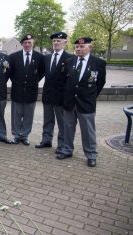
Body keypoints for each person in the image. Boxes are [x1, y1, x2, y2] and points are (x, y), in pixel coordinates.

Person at [56, 37, 106, 167]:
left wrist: (90, 96)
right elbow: (63, 81)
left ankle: (91, 155)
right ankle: (67, 150)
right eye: (77, 47)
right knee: (68, 128)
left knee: (88, 131)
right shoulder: (69, 61)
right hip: (70, 102)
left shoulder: (98, 63)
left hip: (86, 103)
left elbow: (100, 83)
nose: (79, 49)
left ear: (90, 47)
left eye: (82, 46)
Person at [36, 32, 73, 152]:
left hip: (61, 97)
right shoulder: (46, 58)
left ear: (65, 43)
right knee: (48, 120)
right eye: (54, 41)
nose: (56, 43)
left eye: (58, 41)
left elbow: (71, 80)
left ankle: (62, 144)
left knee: (62, 123)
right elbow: (41, 74)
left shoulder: (70, 58)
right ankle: (46, 140)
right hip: (48, 95)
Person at [9, 34, 45, 145]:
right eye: (25, 43)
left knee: (29, 115)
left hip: (31, 91)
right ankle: (16, 135)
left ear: (33, 43)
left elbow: (41, 72)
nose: (27, 44)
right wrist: (17, 81)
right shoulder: (14, 56)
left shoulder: (40, 57)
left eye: (30, 42)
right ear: (22, 44)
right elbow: (10, 73)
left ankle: (25, 136)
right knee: (16, 115)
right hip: (17, 90)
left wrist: (32, 81)